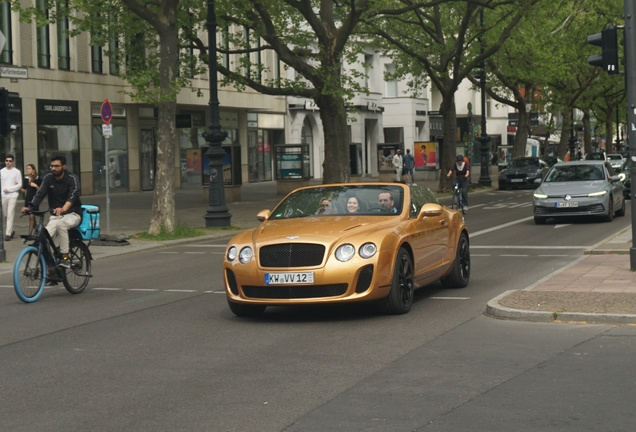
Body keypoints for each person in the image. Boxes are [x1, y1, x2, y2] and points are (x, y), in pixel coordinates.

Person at [22, 155, 82, 268]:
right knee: (43, 239)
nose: (53, 168)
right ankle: (51, 271)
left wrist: (63, 208)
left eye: (57, 166)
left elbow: (73, 195)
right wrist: (30, 207)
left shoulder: (71, 178)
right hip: (55, 215)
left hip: (73, 214)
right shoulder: (48, 178)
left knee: (61, 225)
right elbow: (40, 194)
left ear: (64, 166)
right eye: (52, 166)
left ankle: (65, 258)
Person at [1, 154, 22, 241]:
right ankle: (11, 230)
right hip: (3, 196)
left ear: (12, 161)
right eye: (7, 161)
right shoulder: (1, 171)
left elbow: (19, 185)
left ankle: (8, 234)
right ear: (5, 161)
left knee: (10, 214)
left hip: (13, 195)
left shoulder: (17, 172)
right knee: (5, 215)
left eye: (10, 161)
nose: (8, 162)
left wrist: (9, 189)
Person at [20, 163, 42, 235]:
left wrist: (35, 186)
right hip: (28, 199)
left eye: (29, 168)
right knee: (32, 217)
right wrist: (18, 187)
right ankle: (38, 233)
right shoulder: (26, 179)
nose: (28, 170)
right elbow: (24, 190)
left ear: (33, 170)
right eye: (27, 169)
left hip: (35, 200)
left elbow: (41, 190)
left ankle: (30, 234)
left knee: (32, 216)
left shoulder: (37, 179)